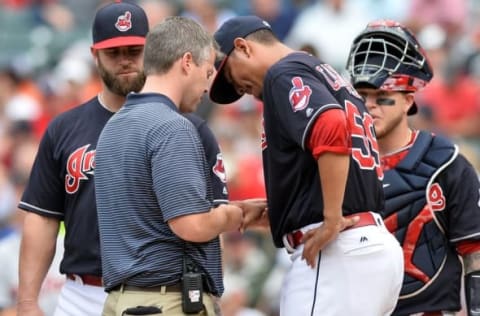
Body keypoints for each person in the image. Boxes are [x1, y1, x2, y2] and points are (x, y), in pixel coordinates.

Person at [15, 2, 231, 315]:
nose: (125, 60)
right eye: (113, 52)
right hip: (81, 292)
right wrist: (26, 301)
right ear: (95, 55)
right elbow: (43, 216)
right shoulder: (65, 128)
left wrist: (212, 292)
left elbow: (209, 217)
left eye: (134, 50)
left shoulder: (189, 129)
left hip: (159, 293)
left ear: (153, 50)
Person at [209, 15, 404, 316]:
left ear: (243, 47)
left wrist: (331, 218)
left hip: (337, 250)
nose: (238, 87)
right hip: (370, 248)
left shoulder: (281, 73)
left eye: (231, 74)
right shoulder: (319, 72)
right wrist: (282, 210)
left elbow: (330, 126)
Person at [94, 16, 267, 316]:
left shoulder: (113, 125)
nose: (207, 84)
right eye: (208, 70)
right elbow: (192, 225)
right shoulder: (172, 126)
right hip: (166, 301)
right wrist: (234, 214)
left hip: (123, 300)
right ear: (187, 62)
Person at [346, 19, 480, 316]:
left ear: (408, 101)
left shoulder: (445, 162)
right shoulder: (338, 161)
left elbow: (475, 252)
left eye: (383, 98)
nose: (370, 106)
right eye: (362, 96)